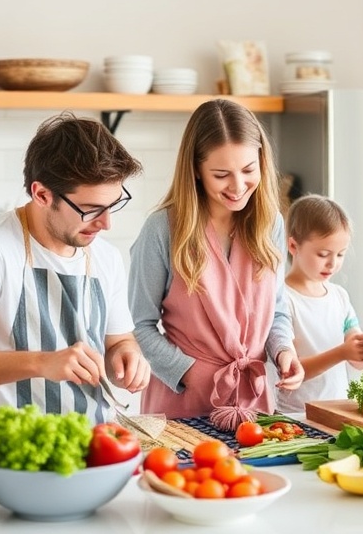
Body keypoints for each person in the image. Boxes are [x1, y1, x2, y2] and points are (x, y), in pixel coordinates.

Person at [0, 113, 151, 422]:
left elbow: (119, 341)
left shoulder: (105, 256)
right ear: (42, 194)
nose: (106, 223)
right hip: (13, 450)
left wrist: (128, 356)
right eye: (91, 210)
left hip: (97, 444)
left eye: (113, 205)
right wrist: (42, 363)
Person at [128, 99, 304, 429]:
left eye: (249, 170)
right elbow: (138, 326)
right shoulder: (163, 230)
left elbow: (277, 310)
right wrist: (189, 371)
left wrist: (283, 352)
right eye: (221, 174)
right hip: (182, 402)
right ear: (195, 169)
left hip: (252, 401)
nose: (238, 186)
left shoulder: (271, 225)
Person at [276, 194, 363, 413]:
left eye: (340, 254)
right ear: (293, 245)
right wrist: (341, 352)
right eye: (323, 254)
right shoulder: (282, 298)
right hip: (295, 415)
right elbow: (291, 369)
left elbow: (357, 359)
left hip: (338, 411)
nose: (333, 263)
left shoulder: (339, 297)